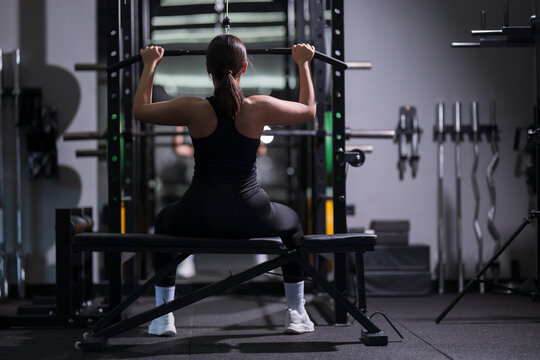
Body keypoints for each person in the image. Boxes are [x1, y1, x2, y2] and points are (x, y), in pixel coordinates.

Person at [133, 35, 316, 337]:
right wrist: (303, 64)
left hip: (199, 214)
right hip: (252, 215)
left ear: (208, 68)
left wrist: (150, 64)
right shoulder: (258, 107)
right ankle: (297, 313)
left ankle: (163, 318)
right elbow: (308, 109)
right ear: (244, 68)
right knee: (293, 223)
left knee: (164, 221)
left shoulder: (194, 109)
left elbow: (141, 110)